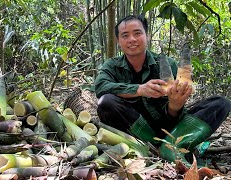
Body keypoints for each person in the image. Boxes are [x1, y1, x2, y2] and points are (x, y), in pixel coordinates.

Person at [94, 14, 231, 163]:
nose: (132, 39)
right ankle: (153, 146)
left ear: (148, 35)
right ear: (118, 41)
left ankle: (170, 146)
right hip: (134, 129)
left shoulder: (166, 64)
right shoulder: (112, 66)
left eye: (137, 33)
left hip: (171, 129)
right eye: (125, 35)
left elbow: (173, 116)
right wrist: (140, 89)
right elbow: (101, 86)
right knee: (106, 102)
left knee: (221, 103)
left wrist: (174, 106)